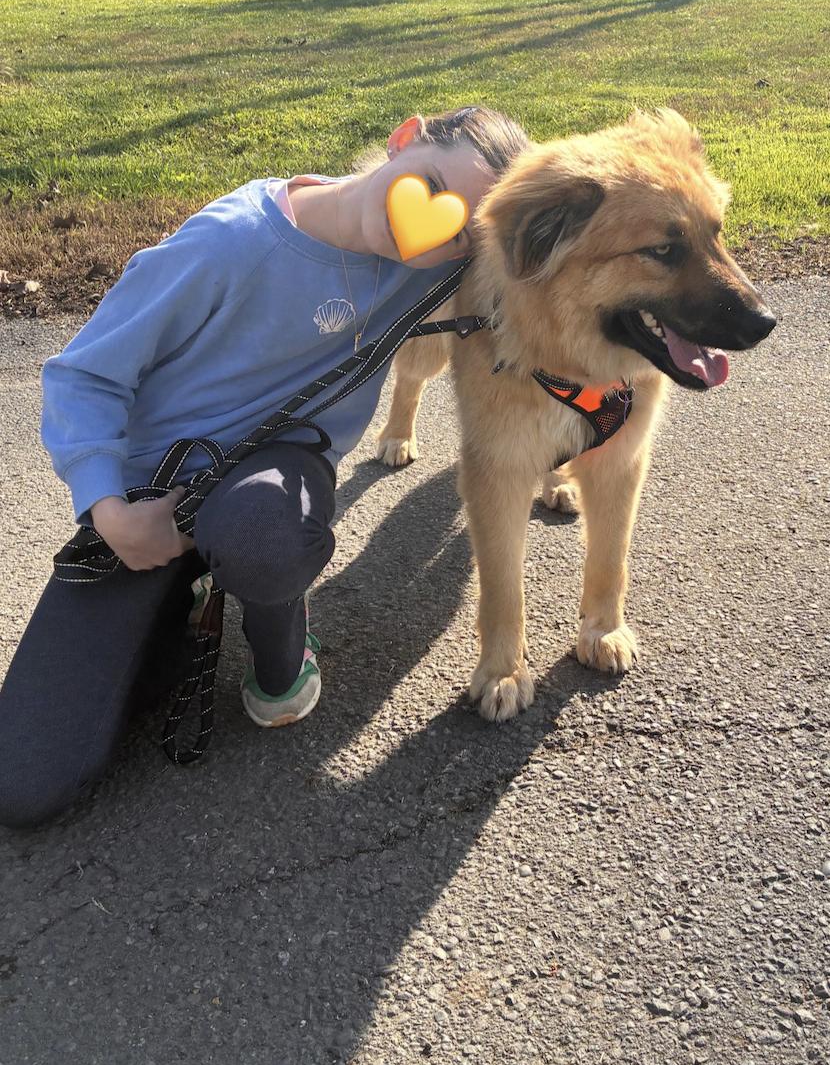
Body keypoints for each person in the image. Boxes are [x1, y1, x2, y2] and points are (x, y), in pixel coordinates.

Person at [0, 107, 530, 829]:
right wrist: (109, 511)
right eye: (432, 186)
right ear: (404, 138)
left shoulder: (435, 268)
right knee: (25, 784)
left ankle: (278, 633)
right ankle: (186, 590)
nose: (430, 231)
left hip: (273, 484)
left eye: (463, 232)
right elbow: (83, 375)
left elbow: (564, 258)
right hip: (148, 499)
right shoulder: (230, 241)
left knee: (262, 539)